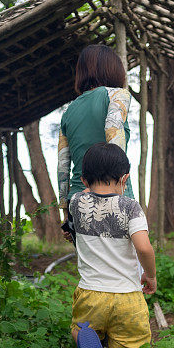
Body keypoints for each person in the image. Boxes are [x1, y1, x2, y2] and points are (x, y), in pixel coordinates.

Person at [68, 143, 156, 348]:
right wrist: (150, 275)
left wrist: (87, 188)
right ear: (125, 179)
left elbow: (84, 196)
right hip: (127, 298)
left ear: (83, 180)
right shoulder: (131, 208)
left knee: (79, 330)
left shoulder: (74, 204)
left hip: (91, 293)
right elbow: (143, 247)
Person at [58, 45, 134, 239]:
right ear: (113, 69)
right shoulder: (118, 95)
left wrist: (66, 211)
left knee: (91, 266)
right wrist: (115, 189)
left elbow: (62, 166)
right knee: (126, 266)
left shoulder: (68, 111)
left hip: (78, 200)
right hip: (114, 192)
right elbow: (113, 135)